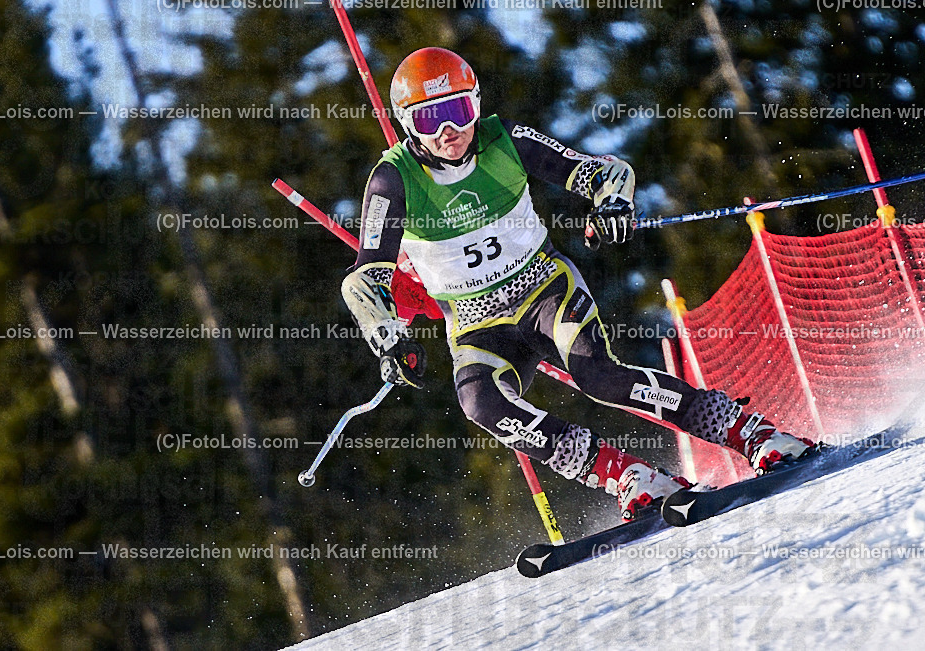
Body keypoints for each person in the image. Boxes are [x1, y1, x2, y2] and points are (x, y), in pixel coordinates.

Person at [340, 47, 816, 521]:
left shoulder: (504, 140)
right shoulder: (392, 179)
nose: (450, 132)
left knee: (599, 376)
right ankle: (627, 474)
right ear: (406, 124)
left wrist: (611, 203)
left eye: (460, 111)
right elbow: (367, 278)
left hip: (543, 288)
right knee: (479, 402)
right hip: (474, 322)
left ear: (478, 104)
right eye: (430, 120)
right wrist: (388, 335)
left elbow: (603, 172)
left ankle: (748, 431)